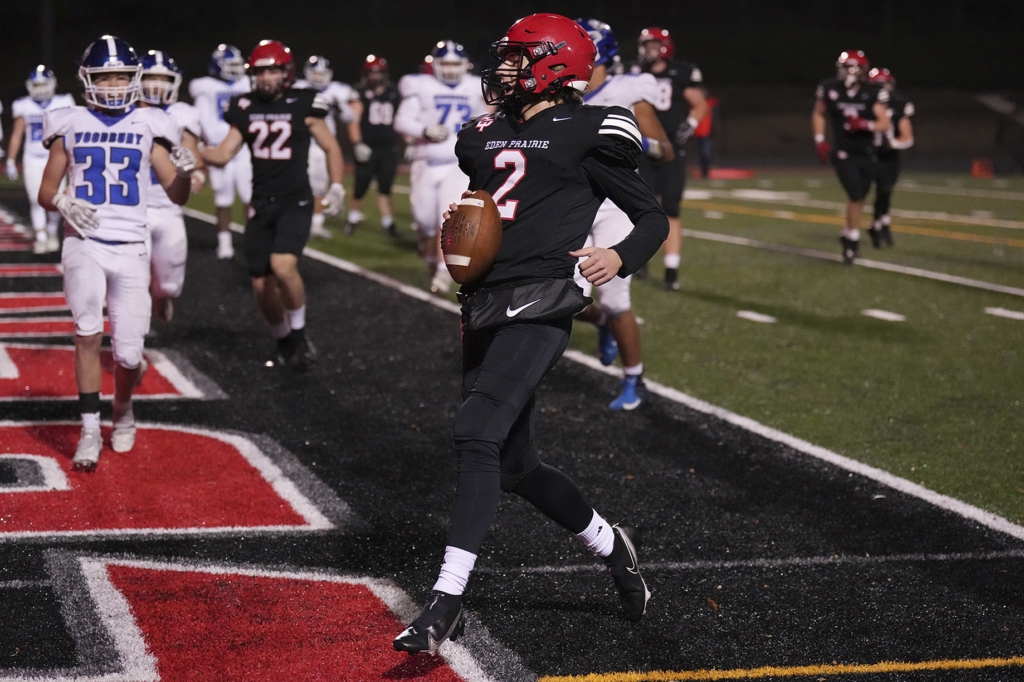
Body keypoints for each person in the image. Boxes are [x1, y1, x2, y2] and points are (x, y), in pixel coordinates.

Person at [392, 13, 667, 654]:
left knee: (475, 433)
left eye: (518, 58)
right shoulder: (482, 132)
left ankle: (445, 601)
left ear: (552, 64)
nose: (505, 69)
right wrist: (460, 241)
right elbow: (484, 209)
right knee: (515, 464)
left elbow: (649, 217)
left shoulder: (591, 128)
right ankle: (611, 544)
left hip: (543, 302)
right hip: (484, 302)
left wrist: (620, 257)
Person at [37, 35, 195, 470]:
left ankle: (122, 408)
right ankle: (89, 428)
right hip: (82, 242)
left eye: (121, 75)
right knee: (87, 332)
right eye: (104, 76)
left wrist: (185, 173)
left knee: (127, 355)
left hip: (131, 247)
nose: (112, 84)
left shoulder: (150, 125)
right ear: (87, 79)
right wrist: (64, 201)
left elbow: (177, 195)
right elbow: (46, 191)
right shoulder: (68, 122)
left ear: (135, 78)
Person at [201, 40, 345, 368]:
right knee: (259, 282)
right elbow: (223, 154)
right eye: (260, 71)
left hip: (296, 200)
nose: (265, 77)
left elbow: (332, 147)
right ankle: (282, 339)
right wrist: (194, 152)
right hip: (261, 202)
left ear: (286, 72)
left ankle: (298, 333)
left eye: (272, 70)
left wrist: (336, 187)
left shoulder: (305, 102)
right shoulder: (244, 105)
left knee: (283, 267)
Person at [574, 18, 674, 411]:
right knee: (562, 297)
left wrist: (639, 140)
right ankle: (602, 323)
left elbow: (665, 150)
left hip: (614, 203)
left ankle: (634, 377)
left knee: (615, 298)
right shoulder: (562, 94)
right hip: (574, 202)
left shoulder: (627, 90)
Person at [394, 40, 489, 294]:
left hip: (457, 164)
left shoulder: (473, 86)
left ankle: (443, 272)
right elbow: (401, 120)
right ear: (435, 65)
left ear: (464, 65)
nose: (449, 70)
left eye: (454, 64)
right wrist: (423, 130)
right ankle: (429, 256)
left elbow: (486, 119)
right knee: (424, 220)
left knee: (445, 216)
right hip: (426, 162)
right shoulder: (422, 86)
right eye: (444, 64)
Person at [633, 27, 708, 290]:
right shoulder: (634, 73)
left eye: (653, 44)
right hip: (641, 147)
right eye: (646, 45)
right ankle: (640, 260)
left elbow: (700, 103)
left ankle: (671, 269)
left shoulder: (681, 72)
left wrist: (689, 125)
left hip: (672, 149)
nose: (648, 50)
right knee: (642, 207)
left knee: (671, 208)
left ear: (665, 46)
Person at [137, 50, 204, 324]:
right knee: (132, 279)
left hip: (167, 205)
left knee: (169, 286)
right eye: (150, 77)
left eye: (163, 78)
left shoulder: (182, 113)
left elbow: (191, 151)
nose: (157, 84)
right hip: (133, 206)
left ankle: (160, 297)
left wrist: (196, 173)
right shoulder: (124, 112)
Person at [812, 50, 890, 265]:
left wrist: (865, 124)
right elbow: (819, 112)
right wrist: (819, 139)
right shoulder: (831, 88)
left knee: (859, 196)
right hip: (844, 152)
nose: (847, 72)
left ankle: (848, 233)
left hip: (867, 153)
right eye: (845, 67)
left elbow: (884, 123)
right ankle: (852, 242)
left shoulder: (872, 92)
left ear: (862, 70)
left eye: (851, 67)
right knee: (855, 192)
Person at [189, 44, 252, 259]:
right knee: (223, 199)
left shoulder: (245, 84)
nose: (235, 70)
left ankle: (253, 237)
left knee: (250, 196)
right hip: (217, 149)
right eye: (230, 65)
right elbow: (199, 120)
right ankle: (224, 242)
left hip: (243, 148)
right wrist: (204, 148)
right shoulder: (205, 88)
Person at [6, 66, 76, 254]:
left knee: (56, 198)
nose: (40, 89)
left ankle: (52, 232)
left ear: (52, 85)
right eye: (36, 85)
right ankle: (41, 237)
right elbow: (17, 134)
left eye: (43, 84)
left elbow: (73, 131)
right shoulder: (24, 105)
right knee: (35, 199)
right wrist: (11, 160)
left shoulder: (64, 102)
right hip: (33, 158)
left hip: (56, 157)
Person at [295, 56, 356, 240]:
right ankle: (297, 220)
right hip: (300, 143)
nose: (319, 77)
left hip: (323, 146)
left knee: (318, 187)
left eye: (323, 74)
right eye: (315, 73)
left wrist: (341, 106)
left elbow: (350, 117)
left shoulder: (337, 91)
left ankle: (316, 223)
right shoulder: (298, 88)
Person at [343, 55, 402, 238]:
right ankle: (352, 219)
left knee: (385, 186)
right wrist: (357, 143)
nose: (375, 77)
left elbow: (402, 118)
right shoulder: (359, 92)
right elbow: (353, 120)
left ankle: (388, 223)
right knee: (361, 185)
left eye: (378, 73)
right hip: (367, 147)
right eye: (372, 73)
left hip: (388, 148)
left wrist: (408, 142)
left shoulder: (394, 92)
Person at [868, 67, 914, 249]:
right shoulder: (865, 102)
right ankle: (879, 225)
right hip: (869, 153)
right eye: (879, 84)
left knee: (886, 190)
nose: (883, 87)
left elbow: (907, 136)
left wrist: (893, 143)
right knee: (873, 189)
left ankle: (880, 224)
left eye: (885, 83)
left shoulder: (899, 104)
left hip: (889, 155)